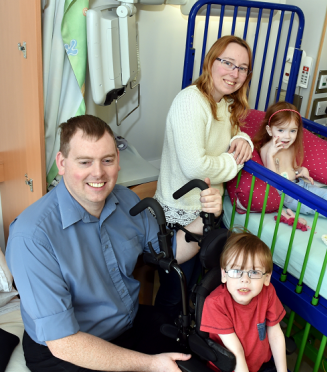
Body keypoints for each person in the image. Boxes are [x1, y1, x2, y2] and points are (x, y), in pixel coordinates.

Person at [6, 115, 222, 372]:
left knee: (192, 359)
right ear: (62, 164)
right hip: (67, 349)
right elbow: (62, 342)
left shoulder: (128, 201)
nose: (98, 172)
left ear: (118, 162)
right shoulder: (32, 236)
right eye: (85, 162)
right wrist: (150, 364)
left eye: (107, 160)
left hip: (124, 324)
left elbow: (172, 252)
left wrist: (206, 218)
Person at [154, 35, 254, 315]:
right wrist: (234, 163)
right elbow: (194, 167)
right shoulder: (190, 101)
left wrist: (245, 139)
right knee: (176, 292)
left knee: (201, 287)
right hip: (181, 214)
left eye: (243, 68)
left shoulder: (227, 105)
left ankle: (185, 338)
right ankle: (160, 346)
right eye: (228, 63)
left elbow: (235, 135)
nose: (235, 73)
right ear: (211, 62)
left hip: (209, 210)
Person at [252, 101, 327, 221]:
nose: (287, 136)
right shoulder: (267, 150)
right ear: (270, 130)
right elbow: (272, 180)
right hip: (286, 193)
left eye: (292, 131)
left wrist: (302, 170)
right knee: (313, 205)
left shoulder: (290, 146)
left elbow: (294, 168)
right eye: (281, 130)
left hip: (300, 184)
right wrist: (270, 155)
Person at [200, 232, 286, 372]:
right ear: (224, 275)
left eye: (254, 272)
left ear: (266, 278)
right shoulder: (215, 303)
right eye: (236, 271)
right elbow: (236, 352)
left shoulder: (268, 292)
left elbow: (275, 332)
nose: (245, 279)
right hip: (229, 368)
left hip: (260, 365)